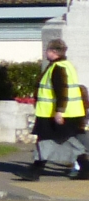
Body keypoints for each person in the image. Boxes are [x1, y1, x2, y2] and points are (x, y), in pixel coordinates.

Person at [20, 39, 86, 181]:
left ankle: (34, 172)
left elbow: (61, 91)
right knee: (67, 140)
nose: (46, 53)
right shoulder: (66, 65)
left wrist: (59, 111)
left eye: (48, 50)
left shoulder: (57, 68)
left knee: (45, 141)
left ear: (54, 52)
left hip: (53, 113)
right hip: (70, 113)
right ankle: (85, 168)